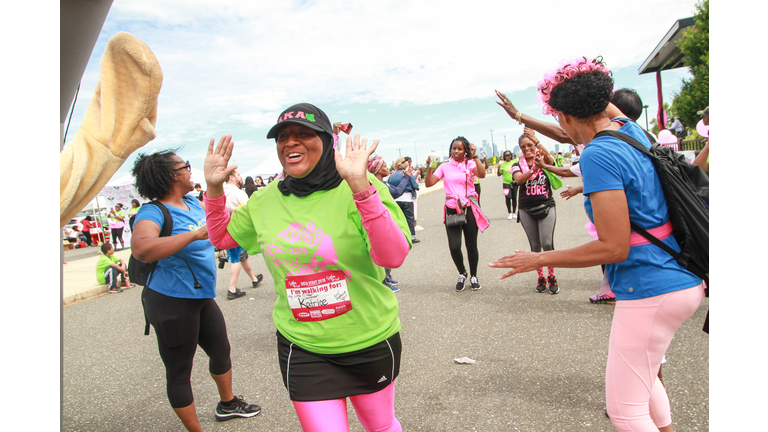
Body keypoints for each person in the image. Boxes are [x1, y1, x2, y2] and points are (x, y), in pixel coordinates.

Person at [490, 56, 704, 432]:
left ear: (567, 115)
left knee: (625, 413)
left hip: (649, 286)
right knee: (646, 378)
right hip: (681, 276)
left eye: (558, 116)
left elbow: (613, 247)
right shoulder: (630, 129)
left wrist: (537, 258)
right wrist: (530, 111)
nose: (559, 125)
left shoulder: (599, 155)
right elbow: (575, 127)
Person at [203, 102, 411, 432]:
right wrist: (214, 189)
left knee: (381, 427)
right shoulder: (265, 199)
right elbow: (222, 237)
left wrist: (360, 186)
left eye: (304, 133)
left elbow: (393, 257)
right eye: (282, 136)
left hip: (367, 338)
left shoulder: (360, 185)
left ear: (327, 141)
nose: (291, 142)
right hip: (303, 345)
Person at [130, 149, 261, 431]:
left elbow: (227, 217)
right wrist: (195, 234)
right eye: (185, 166)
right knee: (179, 370)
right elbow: (141, 248)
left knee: (221, 351)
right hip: (170, 300)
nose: (191, 171)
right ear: (171, 175)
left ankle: (228, 404)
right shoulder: (153, 212)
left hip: (201, 296)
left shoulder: (192, 202)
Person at [424, 136, 488, 291]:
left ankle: (474, 276)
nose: (456, 151)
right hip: (452, 208)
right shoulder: (444, 166)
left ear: (465, 150)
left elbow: (482, 174)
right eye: (454, 148)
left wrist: (475, 156)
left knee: (471, 245)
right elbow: (429, 183)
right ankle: (462, 273)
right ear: (450, 150)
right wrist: (430, 166)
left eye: (460, 148)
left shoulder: (470, 163)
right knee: (454, 246)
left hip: (468, 207)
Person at [508, 129, 560, 294]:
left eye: (530, 145)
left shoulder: (543, 159)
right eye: (523, 146)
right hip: (526, 209)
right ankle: (541, 277)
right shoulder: (517, 165)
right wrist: (533, 169)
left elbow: (550, 160)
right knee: (535, 246)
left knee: (547, 243)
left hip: (546, 206)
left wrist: (536, 141)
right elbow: (519, 180)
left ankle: (551, 276)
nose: (527, 148)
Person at [369, 153, 412, 292]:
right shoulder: (377, 184)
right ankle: (385, 282)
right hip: (381, 222)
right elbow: (397, 192)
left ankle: (388, 278)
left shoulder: (383, 182)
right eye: (384, 166)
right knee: (383, 251)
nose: (387, 168)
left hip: (385, 219)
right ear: (377, 170)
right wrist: (407, 177)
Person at [223, 169, 264, 300]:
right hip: (238, 229)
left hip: (226, 229)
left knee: (242, 256)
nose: (241, 177)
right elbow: (249, 209)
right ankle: (232, 289)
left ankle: (254, 279)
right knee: (236, 258)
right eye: (238, 175)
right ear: (231, 177)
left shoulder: (221, 192)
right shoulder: (237, 193)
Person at [389, 156, 421, 244]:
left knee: (399, 219)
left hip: (396, 199)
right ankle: (412, 237)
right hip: (407, 199)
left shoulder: (391, 176)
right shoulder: (408, 174)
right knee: (409, 218)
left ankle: (401, 237)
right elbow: (415, 186)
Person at [497, 150, 518, 220]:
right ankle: (509, 212)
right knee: (508, 197)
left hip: (514, 182)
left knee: (514, 197)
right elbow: (499, 174)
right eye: (506, 155)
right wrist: (498, 169)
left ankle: (514, 212)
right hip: (506, 183)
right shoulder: (502, 164)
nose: (507, 156)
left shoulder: (514, 163)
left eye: (508, 155)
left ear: (511, 155)